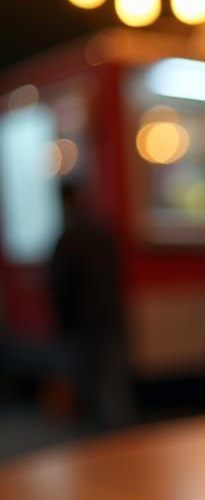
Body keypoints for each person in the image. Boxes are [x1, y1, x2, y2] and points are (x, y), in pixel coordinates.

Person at [49, 182, 136, 428]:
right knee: (114, 387)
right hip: (109, 318)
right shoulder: (102, 233)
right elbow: (119, 274)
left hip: (83, 324)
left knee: (89, 386)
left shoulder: (67, 240)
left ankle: (94, 447)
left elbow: (60, 287)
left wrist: (63, 323)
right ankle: (121, 443)